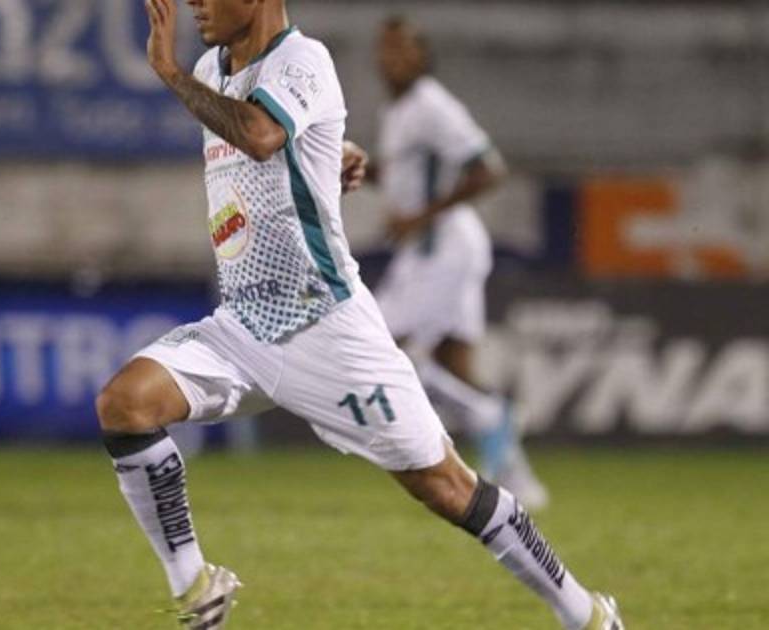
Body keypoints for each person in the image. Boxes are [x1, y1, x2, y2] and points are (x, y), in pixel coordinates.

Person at [98, 1, 623, 628]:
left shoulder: (302, 59)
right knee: (125, 403)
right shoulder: (215, 68)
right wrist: (329, 152)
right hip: (242, 324)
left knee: (446, 487)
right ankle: (197, 588)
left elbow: (261, 135)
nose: (194, 3)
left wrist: (170, 73)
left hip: (326, 325)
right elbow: (274, 146)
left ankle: (586, 613)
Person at [340, 15, 550, 509]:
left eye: (402, 49)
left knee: (380, 348)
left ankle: (485, 414)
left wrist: (420, 216)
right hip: (441, 249)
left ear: (423, 54)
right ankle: (519, 478)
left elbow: (488, 169)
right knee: (454, 363)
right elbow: (405, 174)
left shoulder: (432, 104)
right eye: (385, 49)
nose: (391, 58)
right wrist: (358, 168)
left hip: (442, 249)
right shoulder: (400, 110)